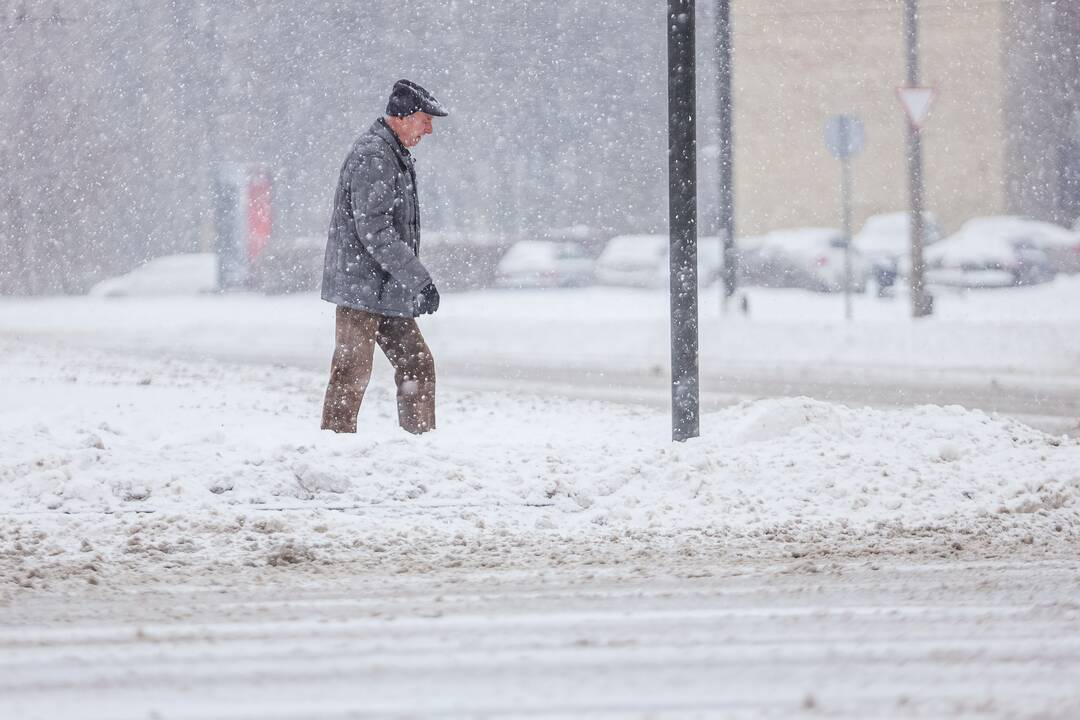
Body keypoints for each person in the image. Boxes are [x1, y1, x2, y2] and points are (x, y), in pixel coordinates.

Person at [320, 79, 448, 434]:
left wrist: (408, 282)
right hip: (360, 288)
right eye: (425, 119)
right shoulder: (374, 156)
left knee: (417, 363)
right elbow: (375, 231)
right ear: (404, 117)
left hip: (383, 289)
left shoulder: (392, 154)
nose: (430, 128)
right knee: (352, 371)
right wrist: (418, 280)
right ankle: (335, 448)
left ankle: (420, 444)